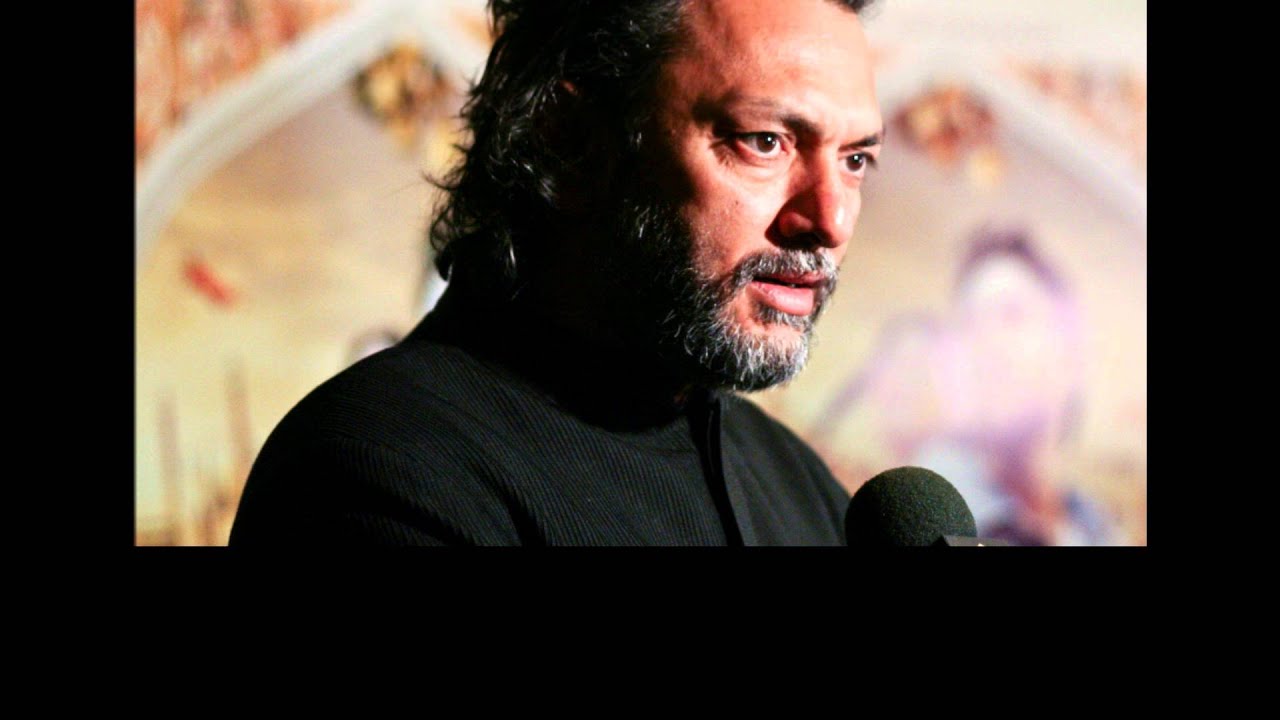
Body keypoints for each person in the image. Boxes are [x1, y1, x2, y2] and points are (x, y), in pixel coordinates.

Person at [229, 0, 884, 546]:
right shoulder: (379, 472)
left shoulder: (800, 489)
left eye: (855, 160)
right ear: (571, 141)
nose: (829, 219)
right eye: (764, 142)